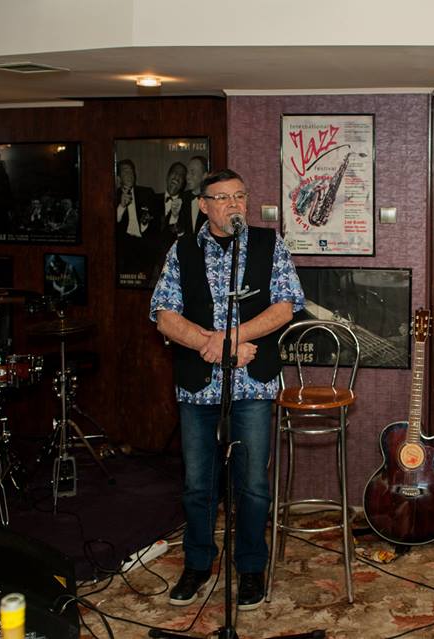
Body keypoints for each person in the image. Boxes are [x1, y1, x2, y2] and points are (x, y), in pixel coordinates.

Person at [150, 168, 305, 611]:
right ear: (203, 205)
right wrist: (212, 345)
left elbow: (286, 305)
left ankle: (251, 567)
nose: (235, 204)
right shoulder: (182, 250)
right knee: (198, 484)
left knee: (252, 484)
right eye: (222, 198)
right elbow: (163, 314)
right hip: (198, 388)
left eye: (240, 195)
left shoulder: (269, 244)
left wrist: (232, 338)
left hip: (252, 385)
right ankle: (198, 563)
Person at [182, 155, 209, 234]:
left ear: (204, 176)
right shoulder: (181, 198)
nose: (187, 176)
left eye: (192, 172)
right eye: (187, 172)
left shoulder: (211, 200)